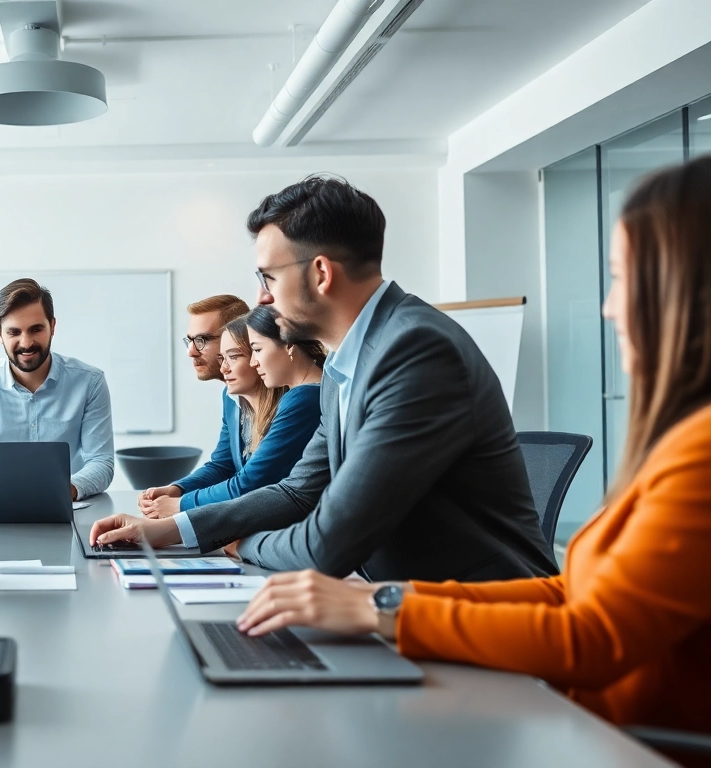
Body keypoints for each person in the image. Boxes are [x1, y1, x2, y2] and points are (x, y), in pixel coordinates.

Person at [234, 156, 711, 753]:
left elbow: (591, 634)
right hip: (580, 716)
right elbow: (572, 596)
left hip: (614, 741)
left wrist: (383, 609)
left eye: (621, 277)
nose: (608, 308)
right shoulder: (684, 441)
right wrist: (386, 600)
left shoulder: (702, 454)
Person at [91, 175, 557, 583]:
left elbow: (327, 544)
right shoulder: (342, 367)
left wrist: (236, 542)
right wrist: (168, 530)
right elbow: (298, 490)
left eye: (268, 277)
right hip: (398, 598)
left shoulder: (416, 351)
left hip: (487, 620)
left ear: (320, 273)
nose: (260, 296)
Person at [0, 277, 114, 501]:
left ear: (52, 326)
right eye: (14, 332)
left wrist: (65, 490)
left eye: (36, 329)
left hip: (66, 506)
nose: (26, 343)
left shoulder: (90, 382)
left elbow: (101, 462)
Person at [140, 306, 322, 518]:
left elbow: (249, 483)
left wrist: (181, 504)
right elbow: (222, 466)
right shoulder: (231, 398)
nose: (224, 368)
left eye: (235, 356)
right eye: (221, 359)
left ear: (288, 345)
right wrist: (179, 489)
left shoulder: (301, 398)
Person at [183, 294, 250, 383]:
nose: (191, 353)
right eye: (191, 340)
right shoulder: (229, 395)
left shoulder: (269, 393)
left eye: (203, 339)